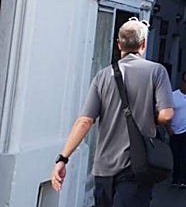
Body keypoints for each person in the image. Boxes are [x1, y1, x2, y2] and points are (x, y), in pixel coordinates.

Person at [50, 17, 173, 206]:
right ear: (144, 44)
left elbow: (84, 122)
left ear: (118, 44)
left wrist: (62, 159)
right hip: (137, 165)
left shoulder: (103, 75)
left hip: (104, 168)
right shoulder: (156, 71)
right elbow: (167, 115)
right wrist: (150, 118)